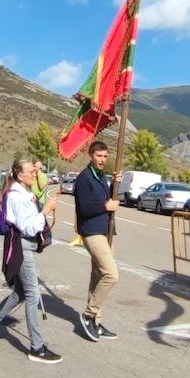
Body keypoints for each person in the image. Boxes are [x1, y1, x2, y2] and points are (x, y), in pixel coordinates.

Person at [0, 158, 61, 363]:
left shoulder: (24, 194)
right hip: (21, 248)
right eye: (31, 171)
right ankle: (36, 348)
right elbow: (28, 227)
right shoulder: (17, 196)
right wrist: (45, 211)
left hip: (25, 246)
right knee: (32, 294)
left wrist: (44, 211)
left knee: (21, 292)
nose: (34, 174)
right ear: (20, 175)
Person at [73, 140, 121, 342]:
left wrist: (114, 186)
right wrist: (106, 206)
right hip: (92, 233)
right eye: (99, 156)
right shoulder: (84, 178)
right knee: (111, 275)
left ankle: (96, 322)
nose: (102, 160)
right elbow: (85, 208)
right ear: (90, 156)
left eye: (105, 156)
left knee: (97, 277)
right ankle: (89, 313)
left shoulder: (101, 177)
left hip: (105, 231)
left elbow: (104, 199)